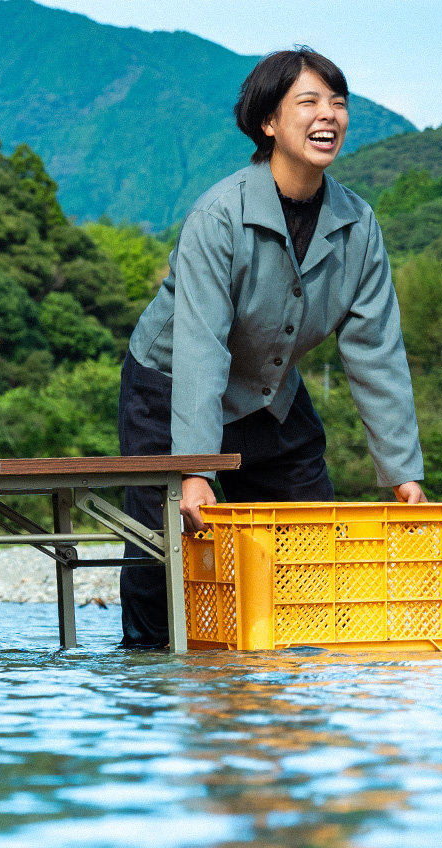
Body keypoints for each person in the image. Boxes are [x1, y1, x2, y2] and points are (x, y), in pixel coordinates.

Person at [118, 46, 426, 648]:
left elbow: (376, 350)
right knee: (165, 555)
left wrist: (402, 471)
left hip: (268, 389)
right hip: (170, 386)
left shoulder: (358, 224)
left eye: (337, 103)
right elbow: (201, 347)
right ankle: (150, 683)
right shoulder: (220, 215)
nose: (327, 116)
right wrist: (195, 471)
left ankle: (290, 681)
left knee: (306, 545)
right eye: (307, 102)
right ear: (268, 123)